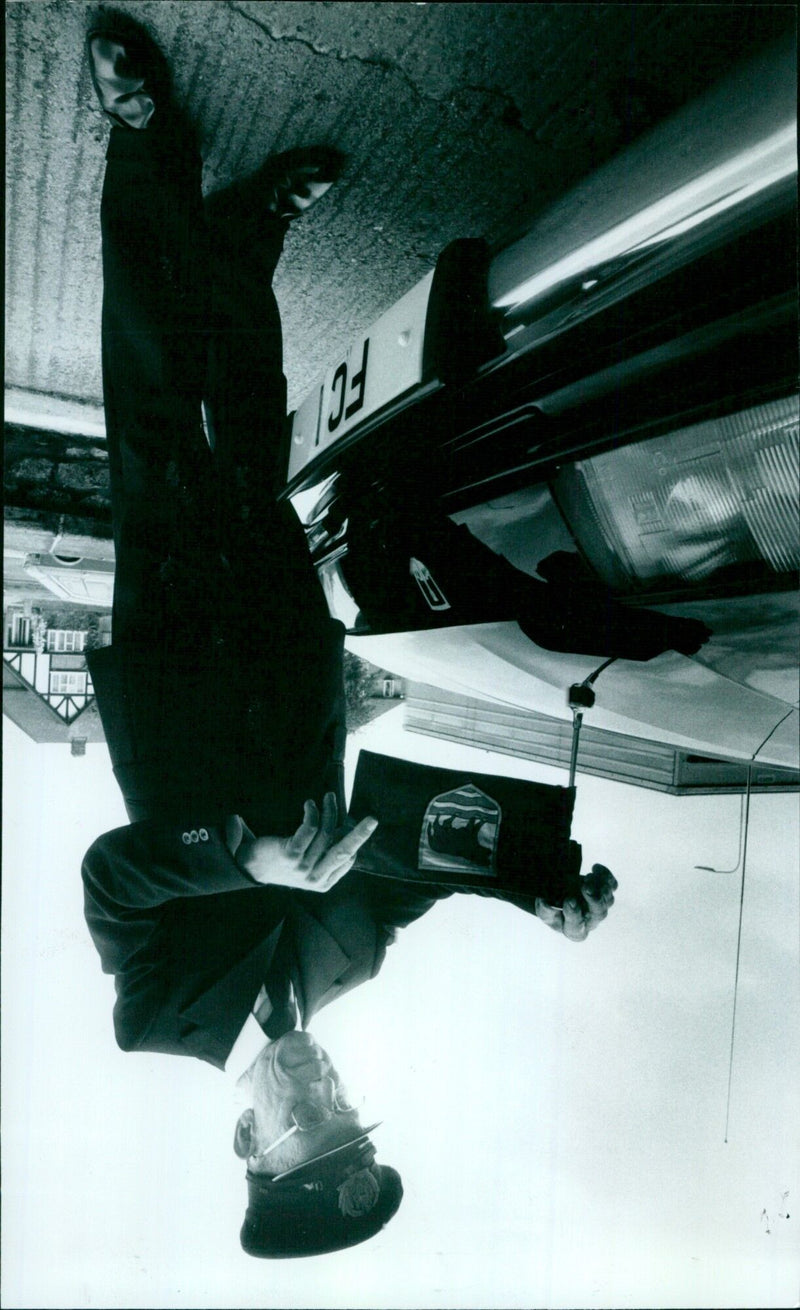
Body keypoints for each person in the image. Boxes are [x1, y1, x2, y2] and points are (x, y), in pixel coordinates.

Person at [79, 11, 702, 1257]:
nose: (327, 1096)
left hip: (173, 654)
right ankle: (249, 239)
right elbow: (418, 864)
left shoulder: (159, 1017)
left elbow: (115, 874)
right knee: (253, 448)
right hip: (286, 644)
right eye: (352, 1117)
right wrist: (538, 891)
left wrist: (245, 858)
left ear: (250, 1138)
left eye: (308, 1124)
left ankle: (148, 152)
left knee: (154, 424)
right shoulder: (346, 963)